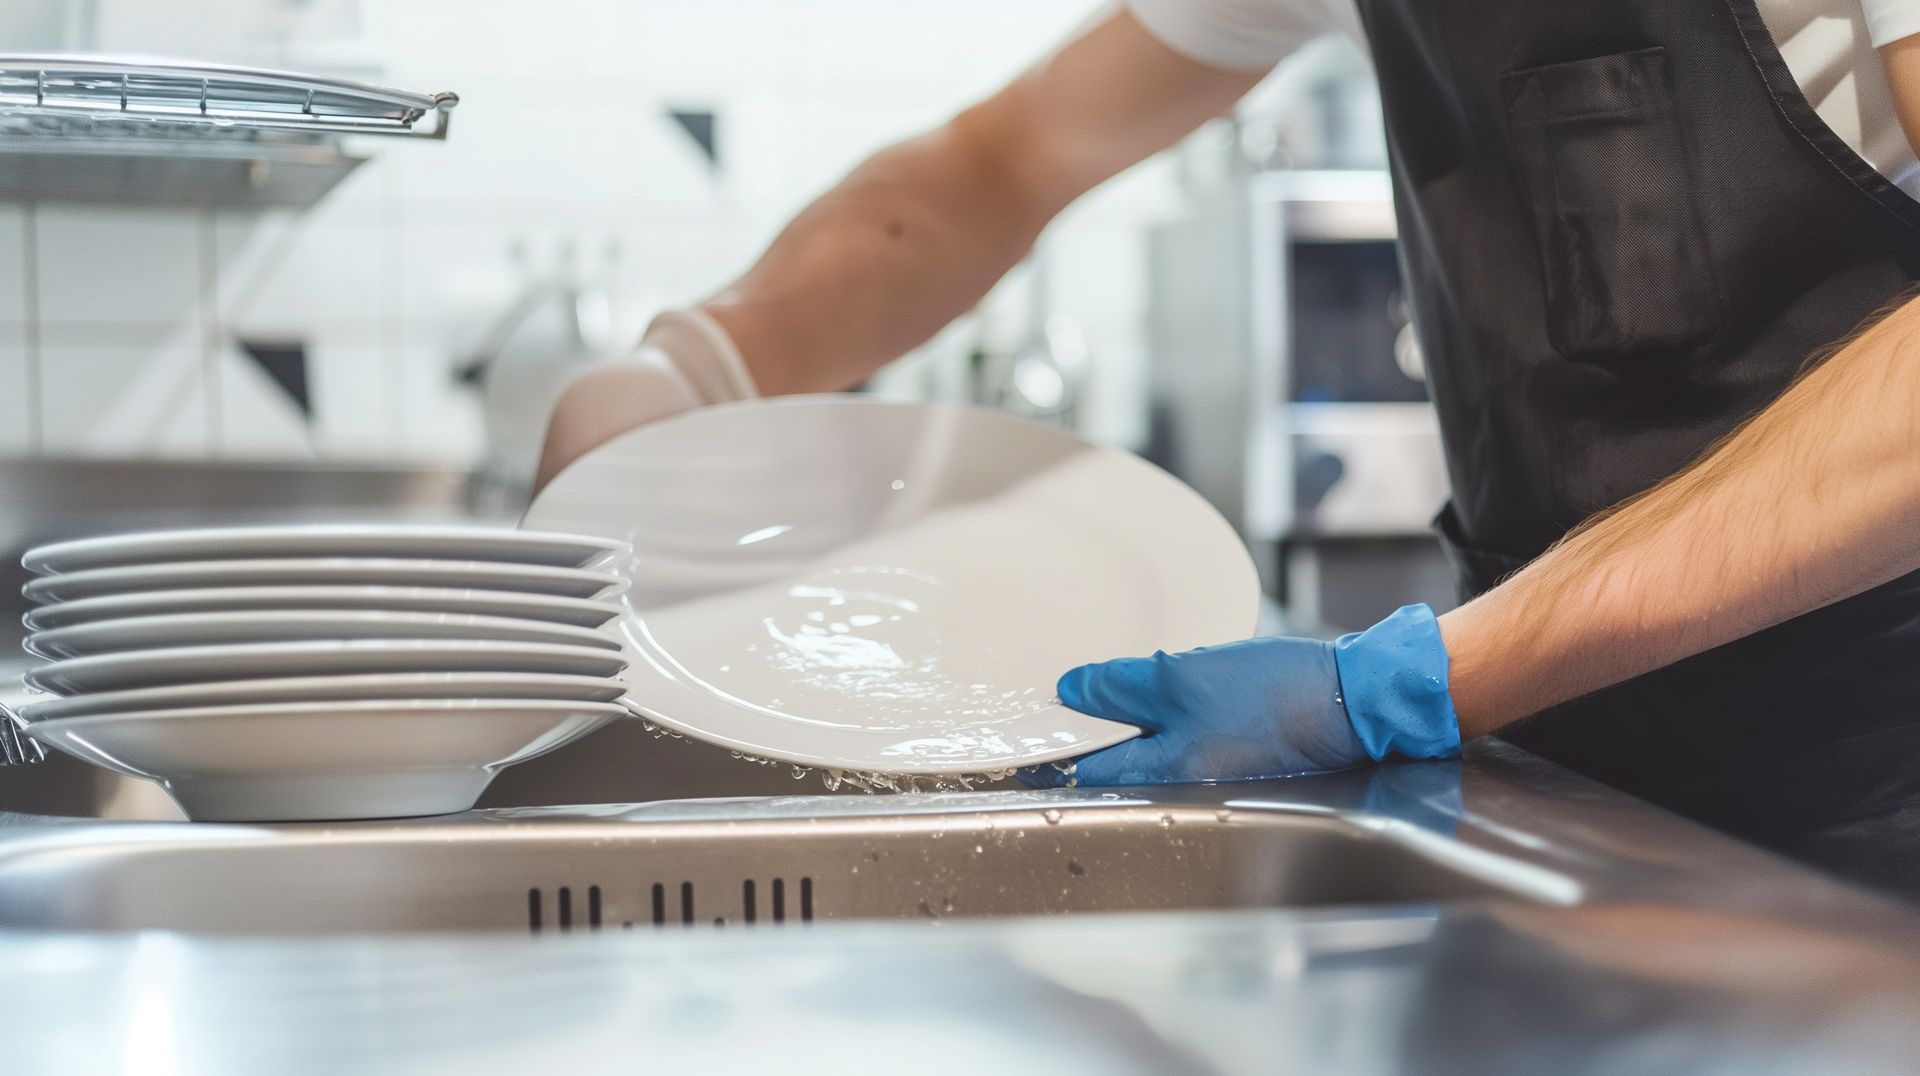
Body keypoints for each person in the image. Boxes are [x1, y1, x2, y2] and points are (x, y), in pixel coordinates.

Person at [537, 1, 1920, 898]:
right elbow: (1000, 162)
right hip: (1584, 793)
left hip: (1878, 806)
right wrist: (705, 356)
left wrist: (1428, 675)